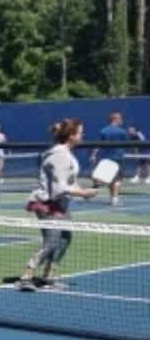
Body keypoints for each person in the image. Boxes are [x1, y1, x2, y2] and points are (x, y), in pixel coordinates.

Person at [18, 119, 97, 291]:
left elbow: (69, 182)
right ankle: (26, 276)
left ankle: (48, 276)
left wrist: (84, 191)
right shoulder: (60, 155)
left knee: (65, 238)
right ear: (71, 135)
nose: (83, 135)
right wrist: (83, 193)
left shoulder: (67, 154)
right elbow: (59, 189)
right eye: (80, 132)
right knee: (52, 240)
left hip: (60, 204)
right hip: (46, 203)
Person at [92, 112, 127, 205]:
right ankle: (115, 199)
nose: (121, 120)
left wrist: (93, 155)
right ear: (115, 119)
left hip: (107, 158)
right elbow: (127, 144)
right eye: (120, 118)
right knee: (118, 180)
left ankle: (112, 197)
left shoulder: (103, 131)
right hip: (118, 158)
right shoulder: (122, 132)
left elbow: (98, 145)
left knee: (111, 179)